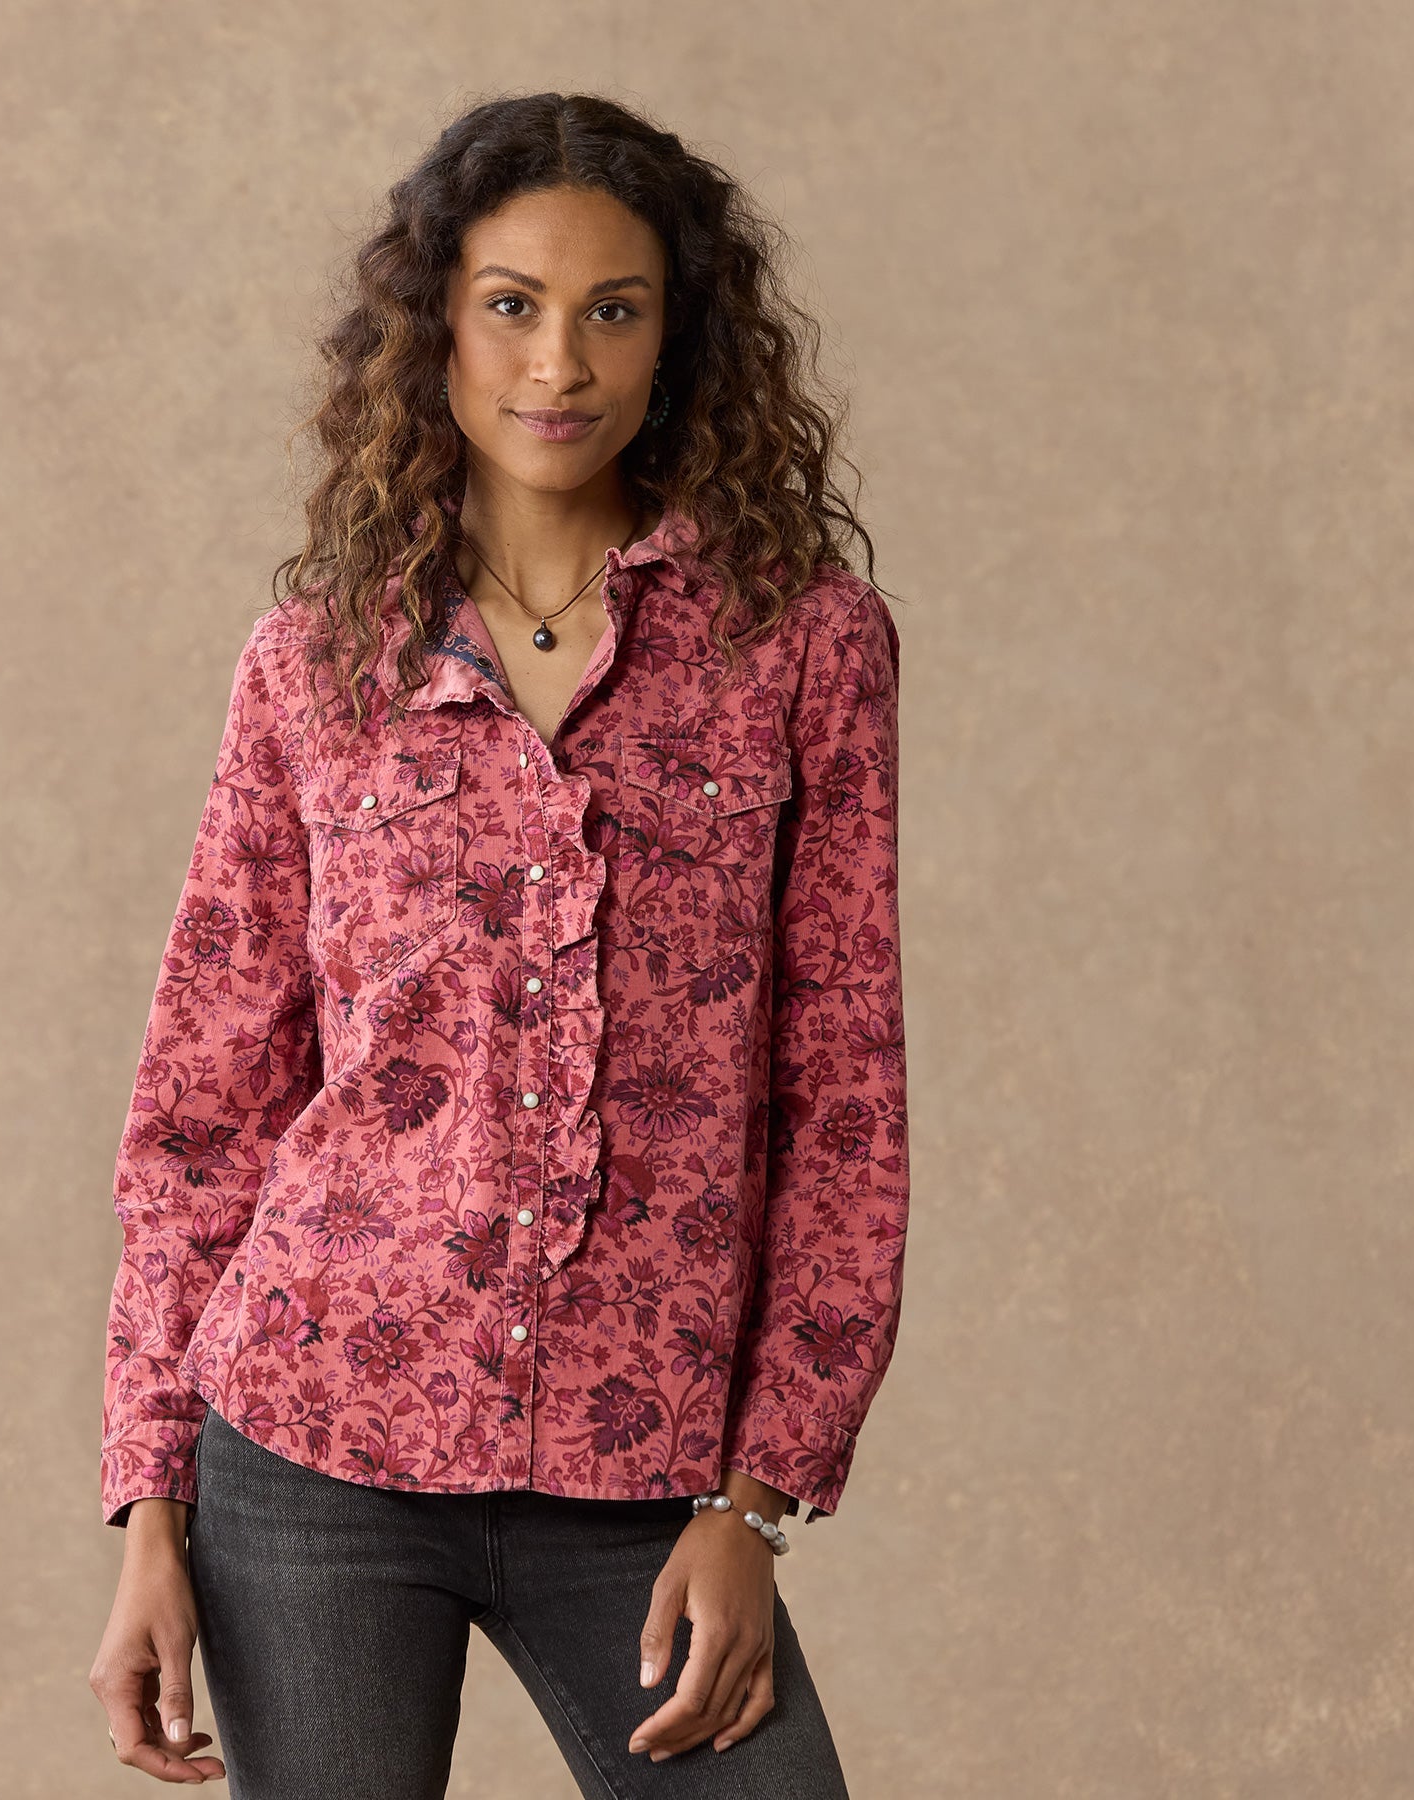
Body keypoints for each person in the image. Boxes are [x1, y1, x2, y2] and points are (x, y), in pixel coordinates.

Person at [87, 91, 910, 1797]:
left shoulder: (800, 646)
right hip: (310, 1451)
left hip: (647, 1461)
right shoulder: (316, 663)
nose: (560, 363)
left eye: (614, 309)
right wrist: (151, 1502)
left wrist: (759, 1502)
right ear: (436, 329)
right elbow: (206, 1106)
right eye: (512, 305)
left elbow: (844, 1102)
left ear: (678, 339)